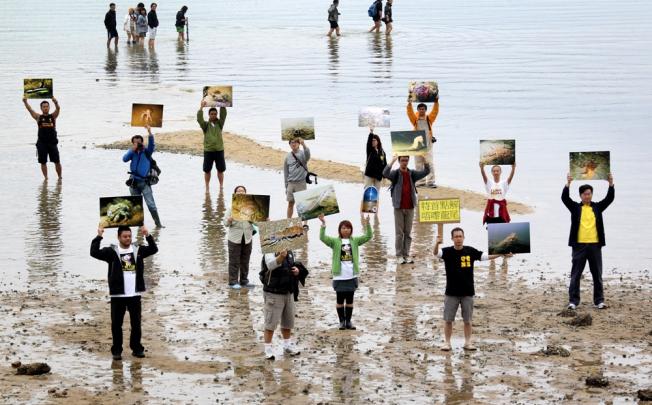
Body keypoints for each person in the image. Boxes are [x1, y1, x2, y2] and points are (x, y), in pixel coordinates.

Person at [433, 228, 511, 351]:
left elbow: (485, 256)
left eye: (460, 236)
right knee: (448, 320)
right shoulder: (447, 252)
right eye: (456, 237)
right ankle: (447, 343)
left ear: (464, 237)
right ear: (452, 238)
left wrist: (501, 253)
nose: (458, 239)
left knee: (468, 320)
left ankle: (468, 342)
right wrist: (437, 243)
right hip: (451, 293)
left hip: (467, 292)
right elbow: (436, 253)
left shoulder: (470, 251)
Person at [90, 225, 158, 360]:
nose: (127, 239)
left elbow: (154, 249)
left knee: (136, 324)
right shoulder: (111, 251)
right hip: (118, 295)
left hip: (134, 294)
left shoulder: (138, 250)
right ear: (119, 237)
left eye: (129, 236)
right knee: (116, 325)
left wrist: (148, 235)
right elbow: (94, 252)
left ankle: (137, 349)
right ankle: (117, 351)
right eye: (125, 236)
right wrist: (99, 236)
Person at [562, 173, 614, 310]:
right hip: (579, 246)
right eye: (585, 194)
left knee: (597, 275)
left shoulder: (597, 207)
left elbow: (609, 198)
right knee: (575, 275)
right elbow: (564, 198)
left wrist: (611, 183)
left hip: (595, 246)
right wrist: (568, 183)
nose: (587, 196)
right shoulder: (575, 207)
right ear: (580, 195)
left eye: (589, 193)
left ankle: (599, 301)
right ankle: (573, 301)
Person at [319, 213, 372, 330]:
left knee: (350, 300)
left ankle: (348, 321)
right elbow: (322, 238)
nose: (346, 230)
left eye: (348, 228)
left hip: (351, 275)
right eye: (343, 228)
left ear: (351, 230)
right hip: (339, 276)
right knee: (339, 300)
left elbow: (368, 236)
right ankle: (341, 322)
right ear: (340, 230)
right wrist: (323, 224)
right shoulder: (335, 242)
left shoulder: (355, 241)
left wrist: (367, 224)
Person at [382, 155, 430, 264]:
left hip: (410, 207)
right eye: (402, 160)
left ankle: (406, 255)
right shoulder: (395, 173)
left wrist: (424, 158)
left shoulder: (412, 173)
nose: (405, 162)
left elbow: (426, 171)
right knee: (399, 233)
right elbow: (384, 173)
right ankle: (399, 255)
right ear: (399, 161)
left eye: (406, 160)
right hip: (398, 207)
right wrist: (392, 160)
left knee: (408, 233)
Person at [261, 249, 307, 360]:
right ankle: (268, 348)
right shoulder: (269, 250)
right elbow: (270, 265)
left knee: (288, 321)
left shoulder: (290, 251)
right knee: (270, 322)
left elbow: (292, 265)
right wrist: (281, 257)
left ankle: (287, 345)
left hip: (288, 292)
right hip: (273, 292)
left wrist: (297, 271)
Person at [123, 125, 163, 228]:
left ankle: (158, 224)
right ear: (133, 143)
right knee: (136, 207)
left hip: (144, 183)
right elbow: (124, 159)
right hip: (133, 182)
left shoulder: (146, 152)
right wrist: (133, 149)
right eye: (135, 142)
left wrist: (149, 132)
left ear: (142, 142)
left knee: (151, 205)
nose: (137, 144)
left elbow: (152, 144)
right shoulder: (132, 152)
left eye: (139, 142)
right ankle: (140, 228)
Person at [224, 185, 256, 289]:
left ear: (246, 194)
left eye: (243, 191)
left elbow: (258, 223)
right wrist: (229, 220)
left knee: (245, 260)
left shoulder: (251, 208)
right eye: (238, 191)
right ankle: (233, 282)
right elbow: (225, 223)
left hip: (247, 238)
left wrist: (265, 219)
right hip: (234, 238)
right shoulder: (231, 208)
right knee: (234, 261)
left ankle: (244, 281)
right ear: (235, 194)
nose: (241, 193)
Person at [23, 97, 62, 179]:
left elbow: (58, 109)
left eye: (47, 106)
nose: (45, 108)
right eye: (44, 106)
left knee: (57, 161)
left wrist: (56, 102)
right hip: (42, 143)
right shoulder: (38, 117)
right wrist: (25, 102)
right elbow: (30, 110)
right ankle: (46, 178)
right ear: (41, 108)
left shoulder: (53, 116)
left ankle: (60, 177)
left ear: (49, 107)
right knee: (43, 162)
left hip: (52, 143)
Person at [406, 94, 439, 187]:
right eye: (420, 109)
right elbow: (409, 113)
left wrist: (436, 102)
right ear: (418, 110)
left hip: (428, 144)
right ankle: (420, 182)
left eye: (423, 109)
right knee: (418, 163)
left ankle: (431, 182)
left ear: (425, 110)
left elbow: (435, 112)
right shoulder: (415, 120)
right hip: (417, 143)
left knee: (430, 163)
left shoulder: (429, 118)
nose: (421, 110)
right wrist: (409, 103)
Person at [197, 101, 227, 190]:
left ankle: (221, 186)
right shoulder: (205, 125)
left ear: (216, 114)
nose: (213, 115)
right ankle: (207, 186)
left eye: (215, 114)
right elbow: (199, 119)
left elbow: (223, 115)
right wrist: (201, 107)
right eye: (211, 114)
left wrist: (222, 104)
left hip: (219, 150)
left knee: (220, 170)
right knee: (207, 170)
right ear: (209, 115)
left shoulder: (220, 124)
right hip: (208, 151)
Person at [283, 138, 311, 221]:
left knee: (302, 205)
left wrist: (304, 144)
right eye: (291, 142)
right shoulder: (287, 156)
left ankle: (305, 224)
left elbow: (308, 156)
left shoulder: (303, 154)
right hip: (291, 183)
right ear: (289, 144)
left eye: (295, 142)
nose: (293, 144)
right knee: (290, 203)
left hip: (301, 183)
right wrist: (286, 186)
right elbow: (286, 173)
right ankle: (288, 221)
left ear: (298, 144)